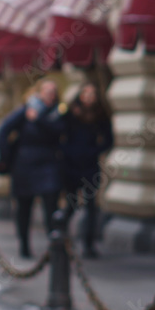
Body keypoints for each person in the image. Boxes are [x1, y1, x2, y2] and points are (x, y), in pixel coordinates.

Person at [0, 79, 66, 258]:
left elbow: (60, 132)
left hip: (49, 164)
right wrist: (5, 158)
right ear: (39, 92)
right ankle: (24, 244)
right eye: (47, 90)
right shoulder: (26, 110)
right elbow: (3, 131)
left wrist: (39, 119)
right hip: (24, 166)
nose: (50, 94)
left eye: (53, 91)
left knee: (51, 206)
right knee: (24, 207)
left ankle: (54, 246)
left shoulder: (58, 112)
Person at [62, 82, 113, 257]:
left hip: (90, 165)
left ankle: (88, 244)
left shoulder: (100, 115)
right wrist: (68, 151)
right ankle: (60, 237)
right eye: (86, 93)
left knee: (91, 206)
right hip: (72, 165)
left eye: (93, 93)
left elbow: (108, 139)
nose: (89, 97)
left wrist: (95, 150)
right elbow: (60, 135)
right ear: (80, 95)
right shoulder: (70, 113)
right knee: (71, 203)